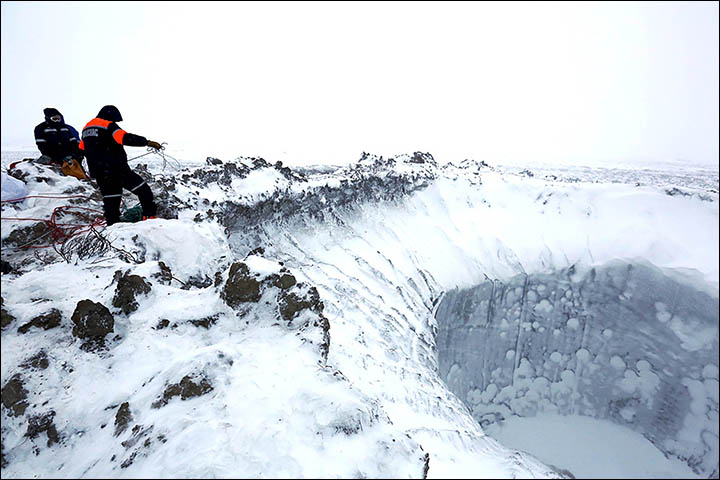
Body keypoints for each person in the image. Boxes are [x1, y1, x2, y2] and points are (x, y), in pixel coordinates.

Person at [79, 105, 163, 226]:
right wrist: (147, 142)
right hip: (116, 169)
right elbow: (124, 138)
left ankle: (113, 228)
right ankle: (148, 219)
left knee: (111, 201)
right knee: (144, 190)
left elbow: (82, 148)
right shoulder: (107, 124)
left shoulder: (86, 129)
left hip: (100, 173)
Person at [33, 107, 87, 178]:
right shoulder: (40, 128)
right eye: (54, 119)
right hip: (53, 156)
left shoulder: (66, 128)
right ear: (48, 118)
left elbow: (74, 142)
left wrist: (75, 155)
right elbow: (41, 144)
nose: (57, 121)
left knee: (78, 174)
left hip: (69, 156)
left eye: (58, 118)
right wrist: (49, 155)